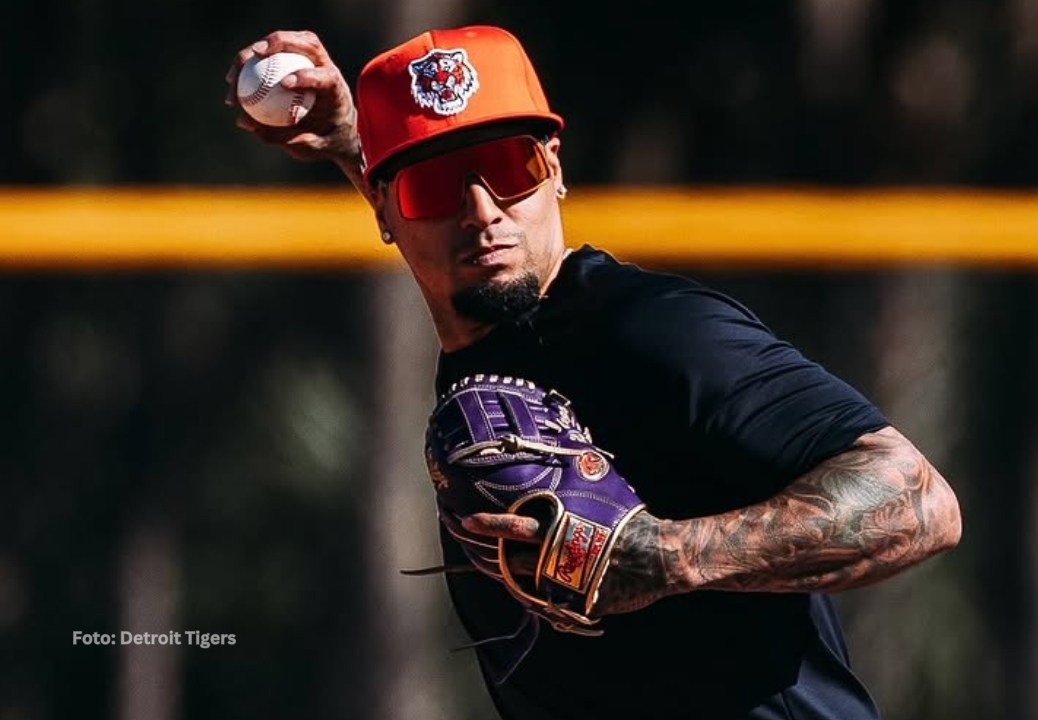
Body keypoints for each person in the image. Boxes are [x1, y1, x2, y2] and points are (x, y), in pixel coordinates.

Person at [227, 25, 962, 720]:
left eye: (512, 167)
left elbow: (922, 500)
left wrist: (667, 557)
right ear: (385, 208)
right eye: (437, 184)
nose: (484, 211)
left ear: (555, 170)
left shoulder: (659, 330)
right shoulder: (486, 321)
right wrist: (361, 139)